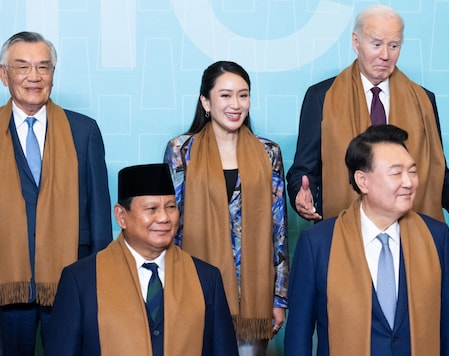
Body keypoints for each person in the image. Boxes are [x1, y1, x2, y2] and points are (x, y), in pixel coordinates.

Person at [286, 4, 449, 222]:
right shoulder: (322, 97)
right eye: (376, 44)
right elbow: (304, 170)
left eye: (394, 46)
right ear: (356, 43)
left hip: (408, 232)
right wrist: (301, 193)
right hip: (346, 229)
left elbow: (434, 170)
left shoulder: (423, 100)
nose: (385, 55)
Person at [284, 125, 449, 355]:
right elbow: (298, 338)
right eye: (396, 173)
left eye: (412, 171)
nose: (409, 182)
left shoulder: (436, 236)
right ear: (362, 181)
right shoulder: (318, 244)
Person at [45, 164, 238, 355]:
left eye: (171, 207)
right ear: (121, 216)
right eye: (151, 208)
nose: (164, 218)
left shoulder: (206, 278)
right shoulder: (81, 280)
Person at [163, 61, 288, 355]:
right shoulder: (181, 149)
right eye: (226, 95)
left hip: (254, 296)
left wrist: (279, 298)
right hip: (195, 288)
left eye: (243, 95)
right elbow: (171, 222)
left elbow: (278, 229)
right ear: (206, 101)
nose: (236, 104)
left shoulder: (268, 152)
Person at [0, 31, 112, 355]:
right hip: (6, 285)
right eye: (22, 67)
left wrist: (97, 282)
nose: (34, 77)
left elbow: (101, 218)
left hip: (71, 281)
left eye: (43, 67)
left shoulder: (83, 130)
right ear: (5, 75)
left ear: (52, 74)